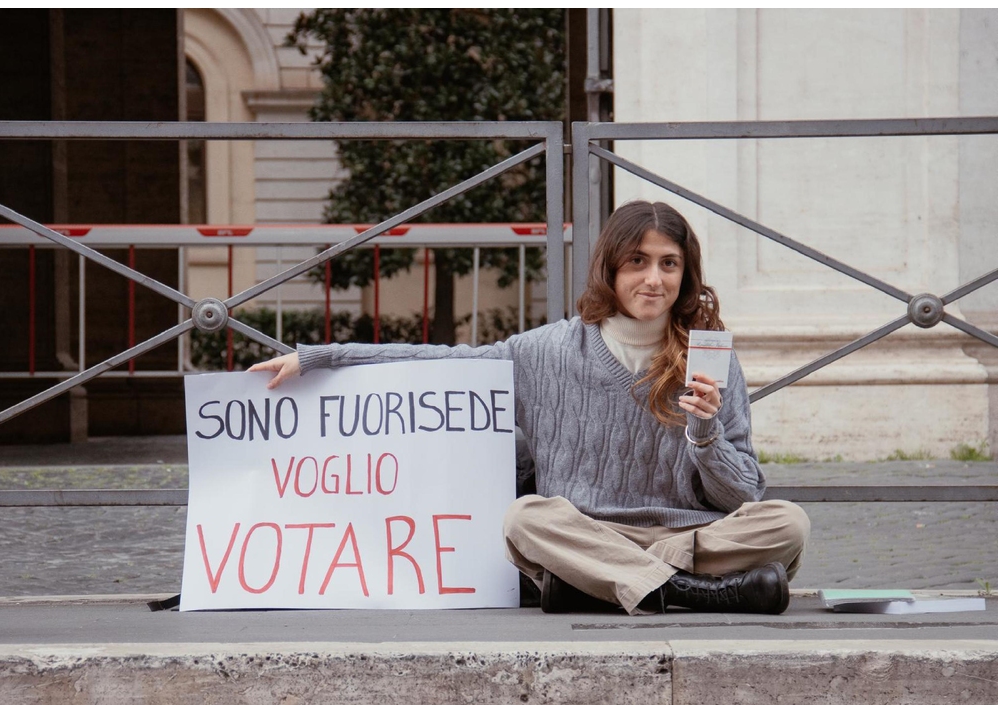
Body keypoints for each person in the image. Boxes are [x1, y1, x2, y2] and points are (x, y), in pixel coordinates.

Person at [249, 200, 809, 615]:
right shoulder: (544, 352)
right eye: (638, 261)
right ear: (611, 269)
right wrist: (325, 357)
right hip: (586, 534)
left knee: (789, 523)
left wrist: (704, 433)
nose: (653, 279)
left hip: (683, 535)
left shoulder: (710, 361)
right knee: (525, 518)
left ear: (686, 274)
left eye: (669, 264)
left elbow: (743, 497)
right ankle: (686, 592)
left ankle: (611, 584)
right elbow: (444, 361)